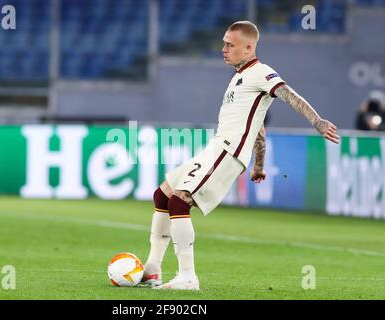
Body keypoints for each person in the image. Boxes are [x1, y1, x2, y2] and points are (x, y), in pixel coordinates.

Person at [142, 21, 340, 290]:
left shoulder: (262, 72)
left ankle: (187, 277)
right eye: (224, 43)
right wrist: (259, 164)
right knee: (162, 195)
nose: (223, 49)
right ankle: (153, 268)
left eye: (230, 45)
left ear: (248, 48)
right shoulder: (240, 76)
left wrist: (316, 121)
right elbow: (257, 126)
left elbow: (290, 95)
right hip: (216, 148)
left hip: (227, 152)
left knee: (180, 202)